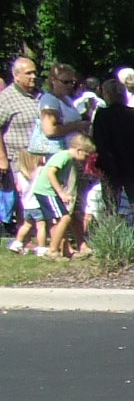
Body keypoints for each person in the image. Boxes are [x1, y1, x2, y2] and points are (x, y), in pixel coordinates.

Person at [89, 76, 134, 235]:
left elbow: (98, 141)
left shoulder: (102, 116)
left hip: (111, 165)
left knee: (111, 204)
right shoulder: (133, 114)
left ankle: (114, 237)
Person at [0, 56, 43, 253]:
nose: (34, 76)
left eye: (35, 72)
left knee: (37, 199)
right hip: (19, 159)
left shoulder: (39, 95)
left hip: (40, 159)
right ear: (16, 76)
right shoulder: (6, 98)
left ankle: (29, 239)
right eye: (29, 73)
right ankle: (25, 238)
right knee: (27, 201)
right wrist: (2, 158)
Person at [28, 133, 88, 258]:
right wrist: (61, 193)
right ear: (79, 150)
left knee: (60, 220)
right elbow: (51, 173)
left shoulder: (67, 158)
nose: (86, 159)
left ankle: (65, 251)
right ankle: (53, 250)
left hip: (47, 191)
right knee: (65, 218)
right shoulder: (64, 156)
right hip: (47, 191)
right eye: (86, 155)